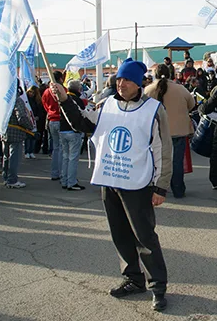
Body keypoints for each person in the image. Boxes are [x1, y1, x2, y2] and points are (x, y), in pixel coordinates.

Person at [51, 58, 173, 311]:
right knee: (120, 234)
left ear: (138, 83)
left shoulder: (153, 109)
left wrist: (161, 186)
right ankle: (133, 278)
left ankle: (157, 286)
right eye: (118, 79)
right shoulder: (106, 105)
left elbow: (164, 149)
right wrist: (64, 100)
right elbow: (82, 123)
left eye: (126, 80)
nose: (121, 84)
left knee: (145, 237)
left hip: (139, 183)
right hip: (111, 180)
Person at [145, 63, 195, 198]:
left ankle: (156, 189)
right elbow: (192, 105)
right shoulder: (180, 89)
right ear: (170, 74)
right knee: (177, 162)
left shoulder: (148, 90)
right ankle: (178, 189)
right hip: (179, 130)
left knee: (156, 161)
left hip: (156, 131)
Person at [3, 85, 35, 189]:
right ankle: (12, 179)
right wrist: (30, 127)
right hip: (16, 132)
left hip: (4, 131)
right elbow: (21, 117)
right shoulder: (17, 100)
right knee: (14, 157)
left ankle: (6, 178)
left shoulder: (4, 99)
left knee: (6, 156)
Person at [60, 80, 86, 191]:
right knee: (73, 158)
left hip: (63, 130)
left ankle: (64, 180)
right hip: (73, 131)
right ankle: (71, 182)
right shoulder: (76, 100)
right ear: (78, 89)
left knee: (65, 157)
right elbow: (83, 114)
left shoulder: (63, 97)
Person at [42, 70, 65, 181]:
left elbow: (44, 104)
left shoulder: (46, 92)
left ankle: (54, 172)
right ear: (60, 79)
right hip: (60, 120)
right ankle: (61, 172)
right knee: (62, 148)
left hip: (51, 120)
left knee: (56, 148)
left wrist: (50, 112)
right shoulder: (62, 90)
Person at [24, 86, 41, 159]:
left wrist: (38, 116)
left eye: (33, 92)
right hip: (28, 119)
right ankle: (27, 151)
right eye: (30, 92)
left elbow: (39, 109)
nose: (31, 94)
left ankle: (31, 151)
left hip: (34, 120)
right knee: (28, 137)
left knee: (33, 136)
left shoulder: (37, 100)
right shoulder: (26, 100)